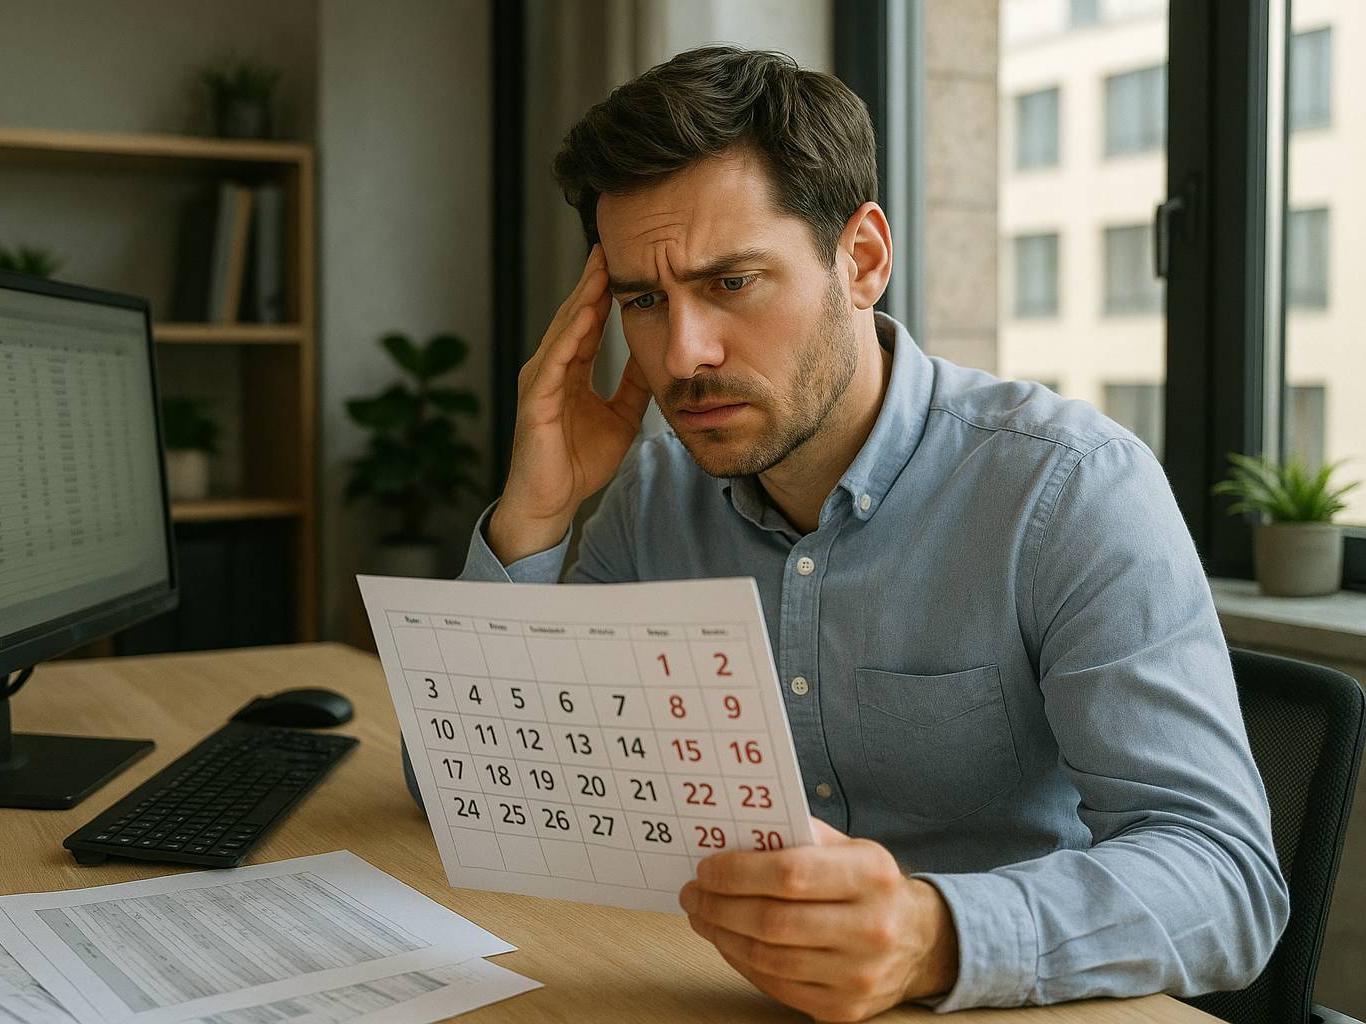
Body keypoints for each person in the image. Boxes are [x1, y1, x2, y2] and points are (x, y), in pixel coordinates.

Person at [449, 46, 1287, 1020]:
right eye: (643, 300)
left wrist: (933, 936)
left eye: (731, 283)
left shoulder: (1069, 489)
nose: (683, 355)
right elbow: (488, 784)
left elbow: (1228, 881)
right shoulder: (654, 492)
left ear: (863, 261)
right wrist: (535, 512)